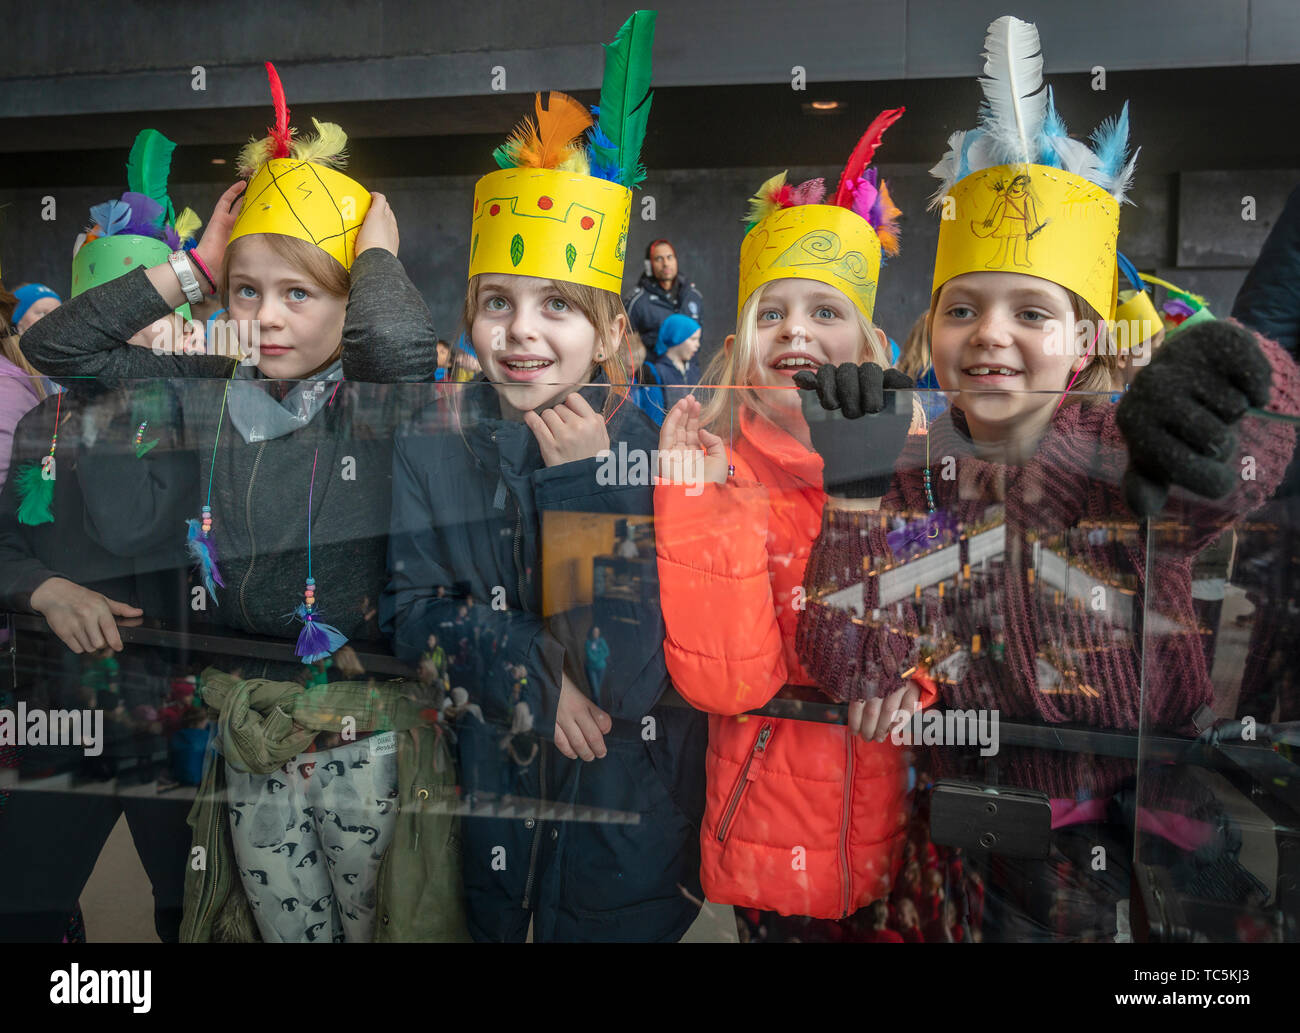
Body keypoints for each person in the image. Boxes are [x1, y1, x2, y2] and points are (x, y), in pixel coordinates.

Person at [795, 14, 1300, 942]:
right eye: (963, 308)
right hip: (977, 844)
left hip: (1154, 822)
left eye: (1031, 310)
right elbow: (844, 667)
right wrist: (854, 496)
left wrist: (1232, 393)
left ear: (1083, 341)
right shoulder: (912, 476)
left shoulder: (1119, 443)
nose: (990, 333)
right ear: (930, 331)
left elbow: (1239, 473)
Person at [19, 71, 466, 943]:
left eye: (301, 294)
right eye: (248, 291)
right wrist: (190, 268)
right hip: (250, 724)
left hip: (364, 728)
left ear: (348, 302)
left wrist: (374, 256)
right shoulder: (211, 384)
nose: (266, 319)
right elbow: (58, 346)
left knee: (376, 924)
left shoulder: (371, 400)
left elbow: (403, 347)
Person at [384, 11, 707, 943]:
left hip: (622, 850)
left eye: (557, 305)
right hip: (484, 813)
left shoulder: (651, 453)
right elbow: (411, 613)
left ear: (609, 332)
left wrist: (582, 487)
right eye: (499, 303)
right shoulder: (431, 445)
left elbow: (626, 681)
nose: (522, 330)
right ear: (471, 316)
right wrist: (525, 666)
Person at [654, 105, 930, 932]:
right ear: (741, 344)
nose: (795, 331)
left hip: (896, 843)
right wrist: (709, 494)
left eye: (824, 311)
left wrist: (923, 680)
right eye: (771, 314)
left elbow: (943, 615)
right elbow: (726, 681)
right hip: (767, 851)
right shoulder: (714, 458)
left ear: (869, 341)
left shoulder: (915, 464)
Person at [624, 237, 703, 354]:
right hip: (652, 370)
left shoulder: (693, 296)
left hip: (689, 371)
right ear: (649, 265)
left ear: (676, 260)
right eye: (659, 259)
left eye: (669, 257)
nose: (665, 263)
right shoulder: (636, 302)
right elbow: (626, 350)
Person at [584, 626, 610, 707]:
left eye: (597, 632)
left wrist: (598, 656)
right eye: (594, 631)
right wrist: (599, 655)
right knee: (595, 691)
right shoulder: (588, 642)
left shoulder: (601, 641)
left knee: (596, 691)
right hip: (591, 669)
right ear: (591, 632)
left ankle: (592, 707)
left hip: (601, 668)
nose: (596, 633)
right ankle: (598, 709)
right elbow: (590, 656)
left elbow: (607, 652)